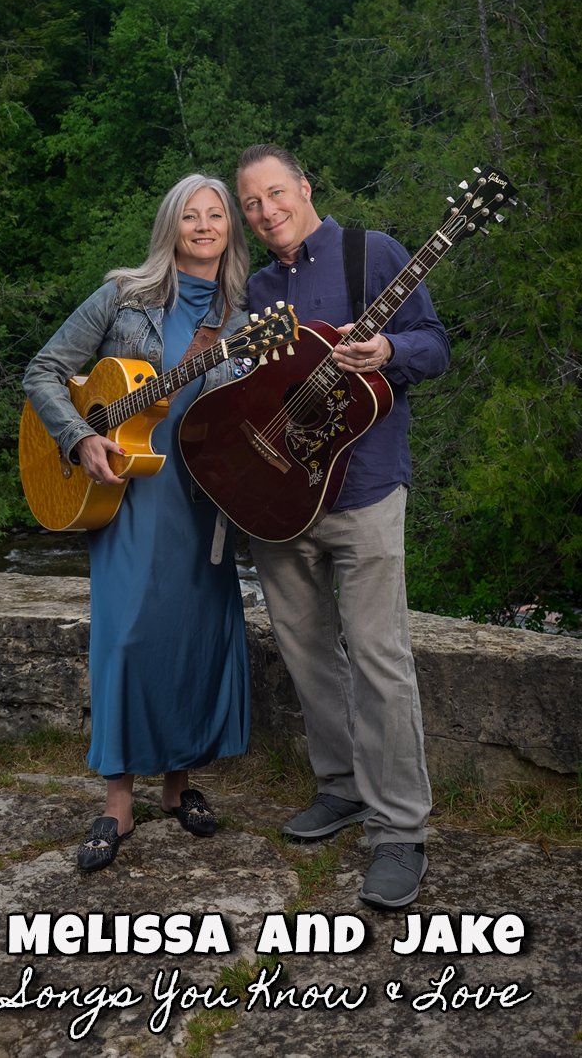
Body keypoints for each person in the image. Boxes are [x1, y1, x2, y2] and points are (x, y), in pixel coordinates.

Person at [236, 144, 451, 909]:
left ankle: (399, 829)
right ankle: (341, 786)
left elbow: (435, 346)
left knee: (379, 656)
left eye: (274, 194)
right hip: (277, 499)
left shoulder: (373, 254)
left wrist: (388, 348)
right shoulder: (258, 287)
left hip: (362, 492)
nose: (265, 212)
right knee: (304, 651)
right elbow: (252, 392)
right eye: (251, 204)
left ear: (304, 185)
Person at [23, 174, 253, 872]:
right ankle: (117, 798)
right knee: (125, 638)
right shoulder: (122, 295)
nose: (205, 224)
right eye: (192, 214)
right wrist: (79, 438)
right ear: (171, 226)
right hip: (121, 494)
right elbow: (44, 369)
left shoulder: (243, 316)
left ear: (229, 230)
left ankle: (178, 785)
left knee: (192, 637)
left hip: (200, 495)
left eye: (216, 214)